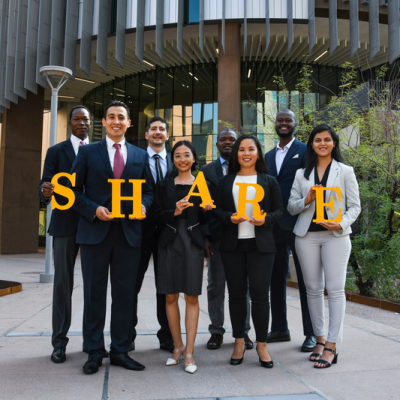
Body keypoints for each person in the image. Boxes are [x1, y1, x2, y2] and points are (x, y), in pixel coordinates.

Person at [70, 100, 153, 374]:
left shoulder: (141, 156)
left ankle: (120, 350)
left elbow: (150, 192)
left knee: (124, 296)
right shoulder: (87, 152)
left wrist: (144, 205)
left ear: (129, 123)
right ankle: (94, 351)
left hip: (129, 235)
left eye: (122, 117)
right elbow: (72, 193)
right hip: (95, 233)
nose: (116, 121)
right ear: (103, 123)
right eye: (111, 117)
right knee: (94, 295)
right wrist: (94, 209)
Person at [287, 124, 361, 369]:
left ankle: (332, 345)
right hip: (306, 236)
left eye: (327, 139)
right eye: (317, 140)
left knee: (335, 289)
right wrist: (306, 200)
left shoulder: (346, 171)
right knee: (313, 290)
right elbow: (291, 206)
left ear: (334, 143)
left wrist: (339, 223)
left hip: (335, 237)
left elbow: (355, 207)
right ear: (311, 144)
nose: (322, 143)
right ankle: (319, 340)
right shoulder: (301, 174)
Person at [214, 135, 284, 368]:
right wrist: (229, 218)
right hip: (232, 246)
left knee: (260, 297)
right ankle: (239, 342)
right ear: (236, 154)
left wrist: (264, 221)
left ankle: (262, 346)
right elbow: (219, 211)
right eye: (241, 149)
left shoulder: (268, 181)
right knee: (235, 296)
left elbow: (279, 211)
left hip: (261, 247)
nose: (246, 153)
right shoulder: (226, 181)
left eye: (251, 149)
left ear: (257, 153)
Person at [39, 105, 98, 363]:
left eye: (86, 119)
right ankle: (59, 343)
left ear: (90, 123)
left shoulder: (97, 150)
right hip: (64, 225)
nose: (82, 122)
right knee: (62, 285)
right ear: (71, 122)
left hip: (93, 225)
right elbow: (44, 186)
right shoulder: (55, 151)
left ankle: (91, 342)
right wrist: (45, 191)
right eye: (77, 118)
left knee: (93, 286)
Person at [155, 140, 213, 374]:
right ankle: (177, 347)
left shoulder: (203, 184)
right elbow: (156, 216)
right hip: (168, 242)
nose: (182, 159)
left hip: (193, 242)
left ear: (194, 158)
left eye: (186, 155)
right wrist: (175, 211)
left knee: (191, 296)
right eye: (177, 155)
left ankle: (189, 352)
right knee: (170, 296)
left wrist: (208, 210)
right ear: (173, 159)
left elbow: (210, 220)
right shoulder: (164, 184)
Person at [265, 109, 316, 352]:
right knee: (276, 278)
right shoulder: (266, 156)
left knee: (306, 280)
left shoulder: (306, 151)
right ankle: (280, 328)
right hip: (273, 227)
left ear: (295, 124)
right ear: (274, 124)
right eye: (280, 120)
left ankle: (312, 333)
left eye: (288, 120)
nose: (283, 123)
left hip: (299, 225)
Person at [201, 128, 253, 350]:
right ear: (217, 145)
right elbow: (200, 208)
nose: (228, 142)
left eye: (232, 139)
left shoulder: (247, 168)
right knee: (215, 286)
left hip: (244, 236)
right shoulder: (205, 172)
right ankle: (216, 331)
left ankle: (244, 332)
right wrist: (204, 237)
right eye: (223, 139)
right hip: (217, 238)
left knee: (243, 287)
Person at [131, 116, 177, 353]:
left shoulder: (176, 162)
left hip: (168, 234)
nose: (158, 132)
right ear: (146, 134)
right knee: (132, 285)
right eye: (153, 129)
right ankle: (127, 334)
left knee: (165, 286)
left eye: (162, 129)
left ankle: (166, 336)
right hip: (139, 232)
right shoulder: (135, 158)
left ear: (167, 135)